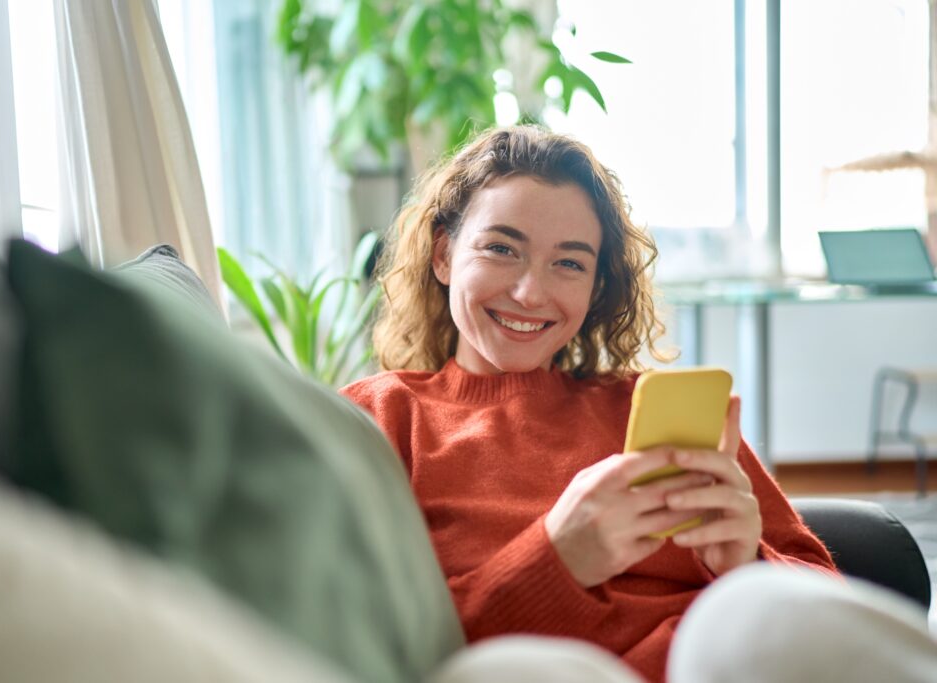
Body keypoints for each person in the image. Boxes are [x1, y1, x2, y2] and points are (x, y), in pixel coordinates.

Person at [340, 125, 936, 682]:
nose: (531, 291)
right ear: (444, 255)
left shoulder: (638, 406)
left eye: (569, 262)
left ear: (597, 287)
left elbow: (822, 601)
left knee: (748, 612)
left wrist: (746, 561)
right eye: (501, 249)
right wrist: (556, 559)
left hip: (721, 661)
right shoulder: (379, 421)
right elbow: (365, 646)